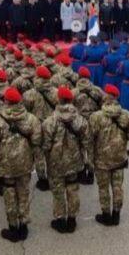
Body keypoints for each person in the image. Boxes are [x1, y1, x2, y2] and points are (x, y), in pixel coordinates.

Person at [0, 87, 42, 243]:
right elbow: (37, 140)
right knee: (23, 194)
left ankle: (13, 228)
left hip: (5, 165)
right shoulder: (31, 119)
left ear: (5, 101)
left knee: (10, 196)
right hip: (24, 164)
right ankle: (24, 226)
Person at [88, 84, 129, 226]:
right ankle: (116, 215)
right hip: (119, 158)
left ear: (106, 97)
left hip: (101, 159)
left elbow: (89, 138)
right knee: (117, 187)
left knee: (103, 188)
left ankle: (106, 215)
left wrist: (90, 158)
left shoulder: (96, 117)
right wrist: (122, 139)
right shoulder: (126, 115)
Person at [42, 86, 89, 234]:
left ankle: (60, 220)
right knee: (72, 189)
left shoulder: (50, 122)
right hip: (75, 161)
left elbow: (46, 145)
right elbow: (86, 140)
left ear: (59, 100)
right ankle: (72, 219)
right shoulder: (80, 120)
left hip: (56, 163)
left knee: (58, 192)